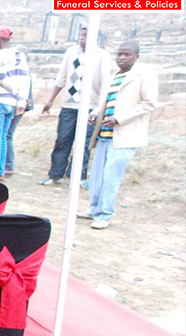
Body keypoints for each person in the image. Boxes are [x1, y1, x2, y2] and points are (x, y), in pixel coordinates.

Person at [80, 41, 156, 229]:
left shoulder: (144, 75)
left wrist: (119, 118)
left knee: (111, 177)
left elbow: (149, 103)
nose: (122, 57)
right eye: (119, 54)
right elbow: (105, 102)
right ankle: (94, 209)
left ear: (136, 56)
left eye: (127, 54)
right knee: (97, 176)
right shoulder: (114, 76)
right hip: (104, 134)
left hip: (124, 136)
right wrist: (95, 113)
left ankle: (105, 214)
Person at [39, 27, 112, 185]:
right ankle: (55, 174)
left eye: (86, 35)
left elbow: (105, 86)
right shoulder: (71, 52)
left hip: (90, 107)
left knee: (83, 143)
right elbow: (62, 77)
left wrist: (97, 110)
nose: (82, 38)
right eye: (81, 35)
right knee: (63, 139)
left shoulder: (102, 56)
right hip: (69, 105)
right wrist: (51, 100)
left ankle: (78, 177)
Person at [0, 26, 29, 181]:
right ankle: (1, 171)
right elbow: (25, 78)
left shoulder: (0, 55)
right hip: (12, 102)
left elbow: (2, 77)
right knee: (3, 136)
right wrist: (21, 99)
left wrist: (16, 93)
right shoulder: (19, 55)